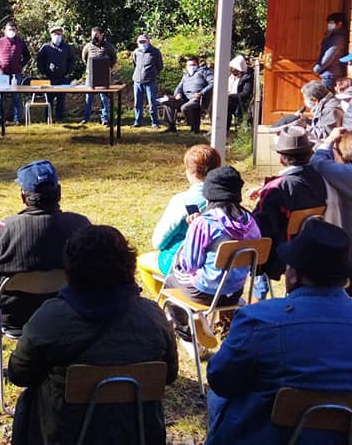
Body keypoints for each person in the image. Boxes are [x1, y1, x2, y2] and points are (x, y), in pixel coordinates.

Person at [206, 220, 352, 445]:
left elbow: (220, 379)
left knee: (220, 396)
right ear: (346, 280)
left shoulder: (258, 319)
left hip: (269, 437)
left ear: (294, 275)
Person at [8, 225, 178, 445]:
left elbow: (19, 374)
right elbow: (169, 374)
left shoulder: (50, 318)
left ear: (70, 268)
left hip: (65, 433)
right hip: (137, 432)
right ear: (128, 264)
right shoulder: (153, 315)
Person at [0, 160, 91, 374]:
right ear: (59, 192)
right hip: (67, 310)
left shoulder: (6, 229)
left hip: (13, 314)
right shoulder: (81, 226)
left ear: (23, 196)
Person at [161, 166, 261, 345]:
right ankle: (222, 323)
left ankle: (188, 335)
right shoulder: (250, 221)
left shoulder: (204, 223)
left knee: (169, 281)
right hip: (235, 291)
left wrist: (193, 229)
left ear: (209, 194)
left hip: (204, 293)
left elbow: (190, 265)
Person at [248, 127, 326, 299]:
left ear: (282, 159)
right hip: (310, 245)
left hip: (279, 252)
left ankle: (257, 299)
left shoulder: (277, 188)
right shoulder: (318, 179)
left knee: (258, 242)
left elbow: (262, 225)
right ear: (309, 154)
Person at [136, 144, 222, 299]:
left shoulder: (183, 200)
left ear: (192, 172)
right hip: (220, 268)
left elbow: (158, 242)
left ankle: (167, 304)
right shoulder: (227, 201)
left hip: (184, 265)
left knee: (142, 261)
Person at [0, 21, 30, 125]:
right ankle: (1, 117)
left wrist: (20, 65)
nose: (11, 31)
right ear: (5, 31)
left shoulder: (20, 42)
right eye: (9, 29)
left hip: (16, 73)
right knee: (1, 96)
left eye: (13, 29)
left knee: (16, 96)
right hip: (2, 73)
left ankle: (17, 118)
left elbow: (27, 56)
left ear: (16, 31)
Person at [160, 56, 214, 134]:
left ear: (197, 65)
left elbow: (213, 83)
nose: (191, 67)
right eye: (189, 65)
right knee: (168, 103)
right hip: (184, 98)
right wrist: (178, 94)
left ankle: (193, 128)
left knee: (185, 107)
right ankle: (171, 126)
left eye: (193, 64)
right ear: (186, 66)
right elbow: (179, 87)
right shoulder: (185, 75)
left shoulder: (204, 72)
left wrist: (201, 93)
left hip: (197, 97)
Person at [36, 26, 76, 121]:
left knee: (61, 100)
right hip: (48, 78)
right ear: (51, 35)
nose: (57, 36)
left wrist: (69, 72)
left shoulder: (67, 47)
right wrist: (42, 72)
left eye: (59, 34)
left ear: (62, 35)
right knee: (48, 99)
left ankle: (59, 118)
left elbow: (72, 60)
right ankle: (48, 118)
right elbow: (39, 60)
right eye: (55, 34)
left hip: (62, 78)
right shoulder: (45, 47)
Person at [80, 27, 117, 126]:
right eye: (93, 35)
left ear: (101, 35)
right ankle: (86, 118)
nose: (94, 37)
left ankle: (105, 119)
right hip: (90, 77)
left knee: (104, 98)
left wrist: (108, 68)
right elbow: (84, 58)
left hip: (104, 77)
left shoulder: (108, 46)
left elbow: (113, 59)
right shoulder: (88, 46)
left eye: (96, 35)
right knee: (88, 98)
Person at [132, 34, 163, 128]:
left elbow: (160, 66)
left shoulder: (155, 52)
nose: (142, 43)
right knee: (137, 103)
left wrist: (152, 74)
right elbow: (135, 63)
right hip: (137, 80)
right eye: (140, 42)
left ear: (148, 41)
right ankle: (138, 121)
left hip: (150, 81)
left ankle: (154, 122)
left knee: (152, 102)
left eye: (143, 41)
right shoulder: (136, 52)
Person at [313, 12, 348, 90]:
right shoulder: (333, 36)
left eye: (331, 23)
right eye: (328, 23)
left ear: (339, 24)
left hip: (331, 74)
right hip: (330, 73)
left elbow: (330, 55)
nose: (329, 25)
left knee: (326, 99)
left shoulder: (338, 38)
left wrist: (317, 68)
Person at [226, 55, 254, 129]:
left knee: (226, 104)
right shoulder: (230, 76)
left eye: (233, 69)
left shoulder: (247, 77)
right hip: (228, 98)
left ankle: (225, 128)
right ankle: (217, 127)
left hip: (239, 102)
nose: (231, 70)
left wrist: (230, 96)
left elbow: (245, 93)